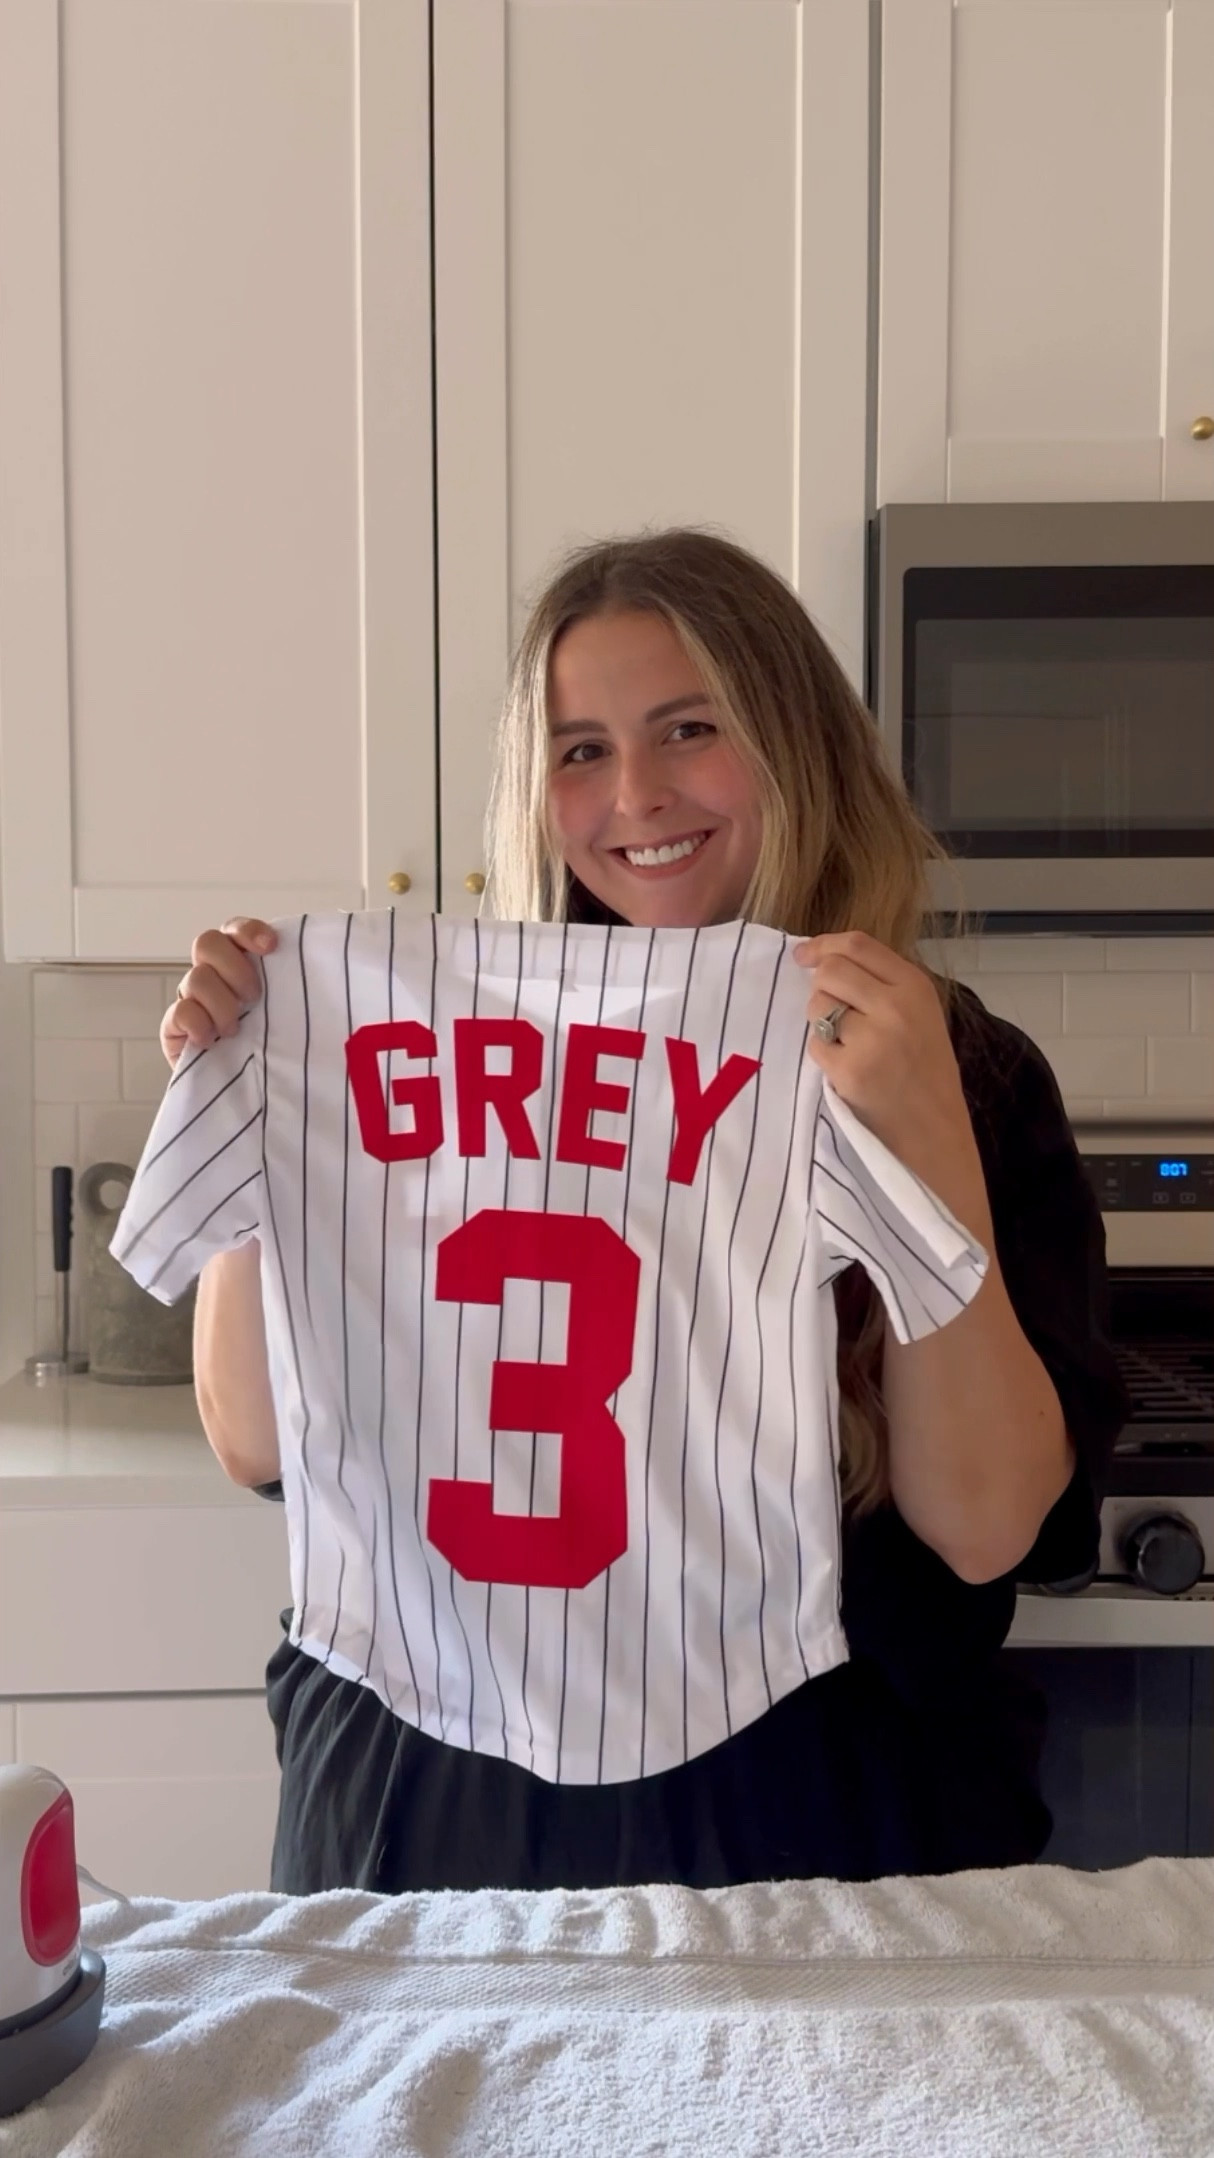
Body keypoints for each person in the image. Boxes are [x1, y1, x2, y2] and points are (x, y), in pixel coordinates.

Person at [160, 528, 1128, 1894]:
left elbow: (982, 1529)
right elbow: (258, 1439)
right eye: (578, 749)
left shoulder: (958, 1065)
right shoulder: (416, 1046)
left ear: (795, 745)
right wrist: (259, 1100)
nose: (636, 793)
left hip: (821, 1807)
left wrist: (924, 1142)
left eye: (689, 728)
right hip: (437, 1793)